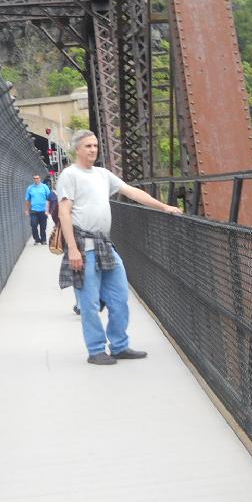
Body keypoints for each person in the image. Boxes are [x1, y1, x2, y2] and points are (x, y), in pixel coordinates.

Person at [57, 129, 182, 365]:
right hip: (84, 247)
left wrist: (164, 207)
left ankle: (119, 346)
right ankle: (95, 350)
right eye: (88, 146)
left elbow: (131, 191)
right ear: (77, 149)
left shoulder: (103, 174)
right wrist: (72, 249)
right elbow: (64, 212)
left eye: (95, 145)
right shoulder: (69, 175)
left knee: (119, 297)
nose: (93, 149)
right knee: (89, 303)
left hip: (105, 245)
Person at [24, 174, 51, 245]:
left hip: (43, 210)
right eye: (35, 178)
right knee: (33, 224)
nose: (36, 179)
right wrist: (26, 210)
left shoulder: (45, 187)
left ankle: (43, 240)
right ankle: (37, 239)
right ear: (33, 179)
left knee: (43, 226)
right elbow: (27, 200)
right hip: (33, 210)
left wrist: (48, 210)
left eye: (37, 178)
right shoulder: (30, 188)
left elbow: (49, 198)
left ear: (40, 179)